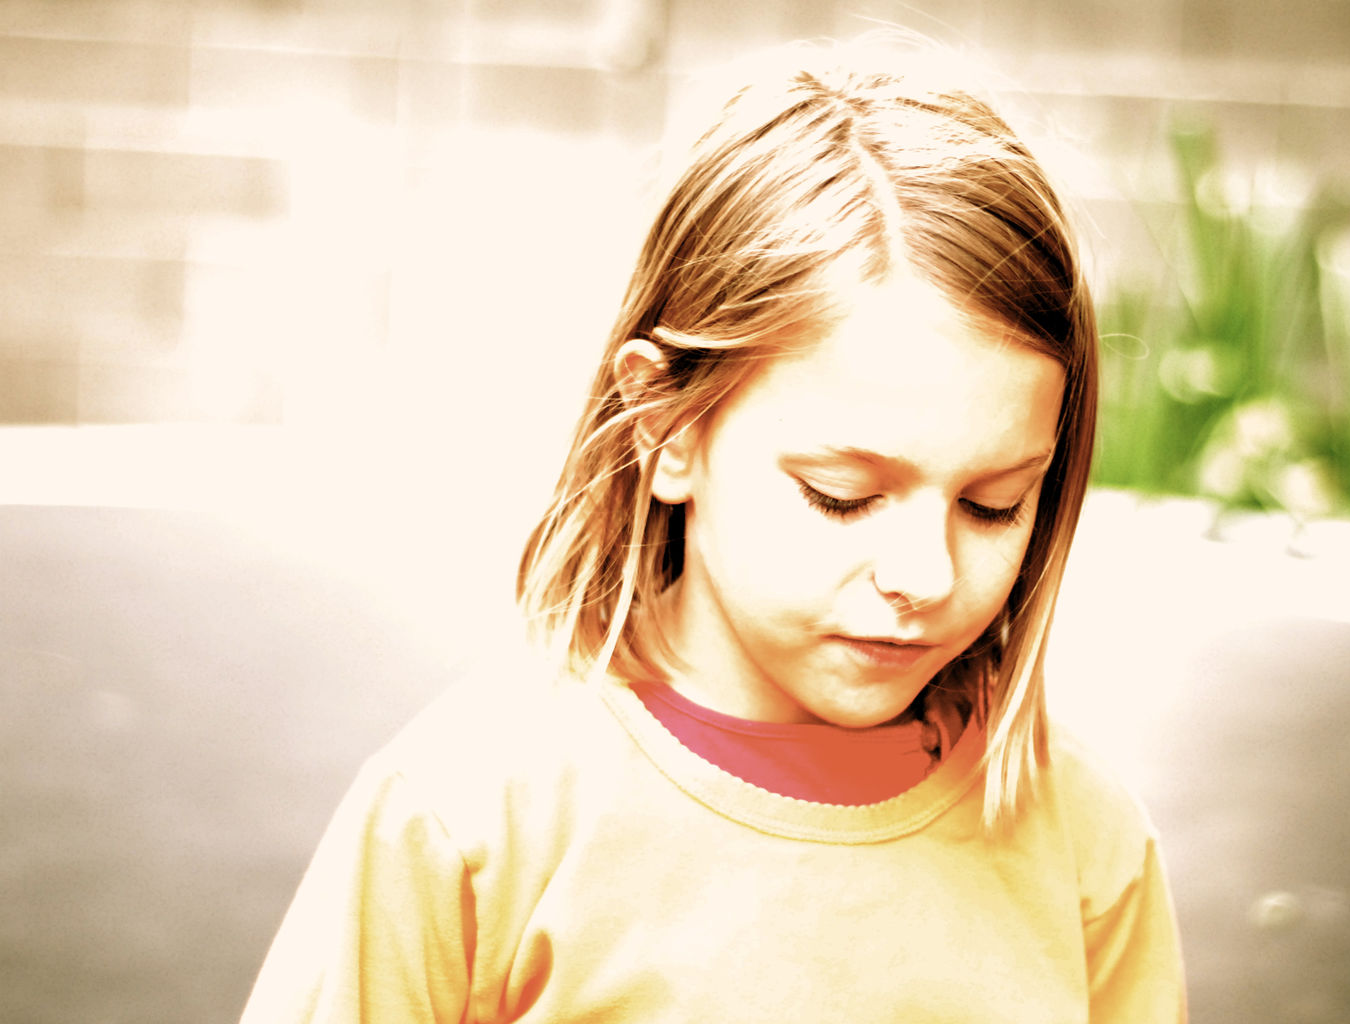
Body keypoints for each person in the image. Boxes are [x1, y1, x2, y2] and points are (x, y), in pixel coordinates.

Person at [241, 35, 1187, 1024]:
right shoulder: (465, 819)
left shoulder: (1084, 841)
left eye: (992, 503)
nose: (922, 571)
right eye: (839, 493)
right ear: (668, 428)